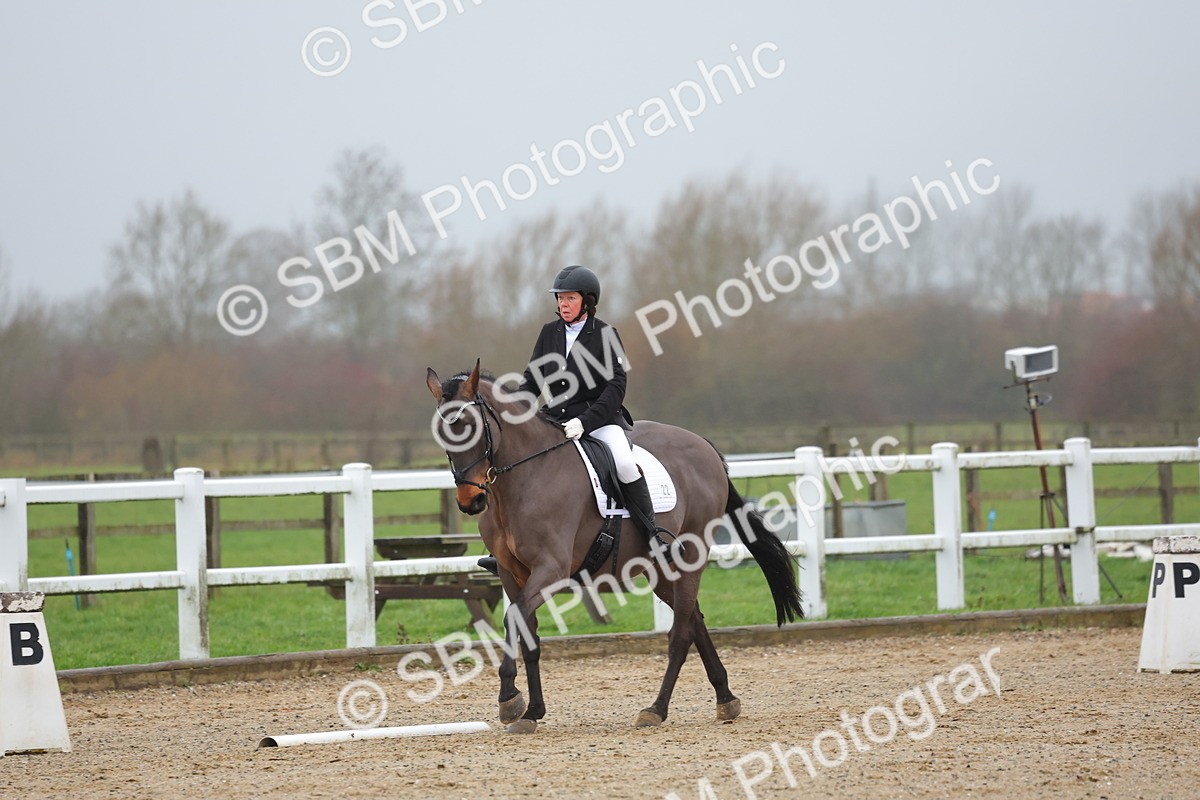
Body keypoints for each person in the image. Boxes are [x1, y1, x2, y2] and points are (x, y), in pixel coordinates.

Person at [478, 265, 675, 575]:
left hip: (602, 419)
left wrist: (586, 422)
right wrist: (515, 415)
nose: (562, 305)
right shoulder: (549, 333)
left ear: (587, 300)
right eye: (559, 299)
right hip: (555, 420)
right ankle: (500, 544)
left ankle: (654, 536)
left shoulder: (606, 334)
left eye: (569, 298)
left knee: (624, 463)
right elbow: (532, 380)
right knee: (519, 463)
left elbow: (616, 387)